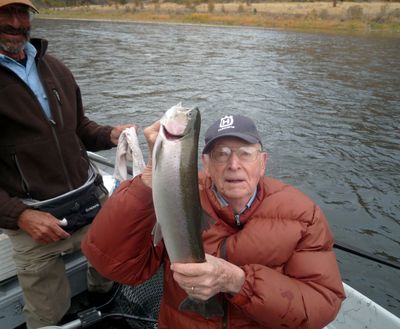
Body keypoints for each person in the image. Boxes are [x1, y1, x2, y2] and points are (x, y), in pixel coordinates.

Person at [82, 113, 346, 329]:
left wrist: (238, 282)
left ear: (263, 163)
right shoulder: (175, 194)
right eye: (222, 154)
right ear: (205, 164)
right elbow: (112, 265)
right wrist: (147, 183)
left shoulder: (303, 214)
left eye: (245, 153)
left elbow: (322, 304)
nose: (233, 164)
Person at [0, 0, 134, 327]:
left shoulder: (56, 67)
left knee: (108, 271)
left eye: (23, 13)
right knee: (47, 315)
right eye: (5, 13)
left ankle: (104, 308)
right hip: (33, 220)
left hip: (89, 203)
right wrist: (21, 215)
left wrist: (112, 134)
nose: (17, 23)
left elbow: (79, 127)